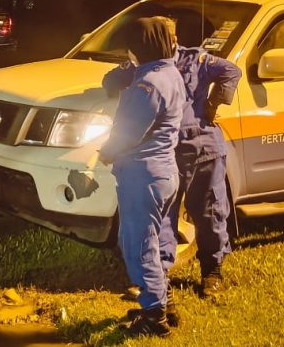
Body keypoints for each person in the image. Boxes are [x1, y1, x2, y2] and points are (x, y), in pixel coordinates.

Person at [105, 16, 242, 299]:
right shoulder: (143, 65)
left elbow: (231, 71)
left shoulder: (195, 60)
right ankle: (160, 274)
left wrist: (213, 103)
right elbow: (111, 80)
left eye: (171, 34)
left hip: (202, 147)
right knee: (164, 217)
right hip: (169, 151)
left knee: (210, 211)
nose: (170, 40)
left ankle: (212, 271)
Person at [96, 17, 187, 337]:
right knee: (158, 241)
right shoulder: (169, 72)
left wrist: (105, 152)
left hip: (142, 176)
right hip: (163, 173)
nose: (129, 54)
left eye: (132, 47)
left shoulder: (149, 84)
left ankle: (154, 319)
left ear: (142, 46)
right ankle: (164, 302)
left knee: (138, 245)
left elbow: (129, 131)